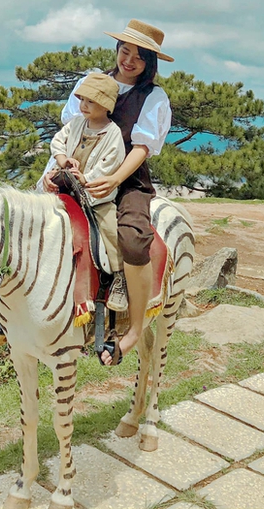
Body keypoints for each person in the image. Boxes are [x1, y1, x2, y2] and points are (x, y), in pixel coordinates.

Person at [43, 19, 173, 365]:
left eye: (139, 56)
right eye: (124, 51)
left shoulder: (153, 97)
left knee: (132, 237)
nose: (129, 60)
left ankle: (133, 327)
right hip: (75, 170)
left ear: (150, 63)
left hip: (126, 179)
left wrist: (114, 179)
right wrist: (52, 173)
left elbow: (142, 148)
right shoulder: (93, 82)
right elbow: (69, 131)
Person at [39, 72, 128, 311]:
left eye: (91, 101)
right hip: (65, 187)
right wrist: (63, 160)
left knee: (110, 226)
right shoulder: (77, 123)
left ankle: (120, 275)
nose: (84, 105)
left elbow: (109, 165)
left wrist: (86, 178)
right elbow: (58, 141)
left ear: (106, 105)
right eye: (82, 99)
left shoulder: (113, 134)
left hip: (94, 195)